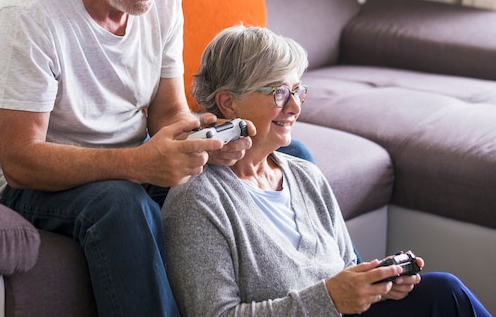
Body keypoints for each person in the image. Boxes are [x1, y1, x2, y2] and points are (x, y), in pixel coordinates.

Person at [0, 0, 254, 316]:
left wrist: (200, 143)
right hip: (28, 181)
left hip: (130, 154)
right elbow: (20, 160)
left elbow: (168, 111)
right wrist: (138, 163)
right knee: (121, 204)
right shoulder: (28, 16)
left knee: (273, 156)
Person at [161, 25, 492, 317]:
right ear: (228, 103)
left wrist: (375, 286)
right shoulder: (198, 199)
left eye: (297, 90)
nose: (294, 106)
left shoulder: (305, 176)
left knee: (443, 291)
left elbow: (345, 269)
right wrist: (330, 299)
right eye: (278, 92)